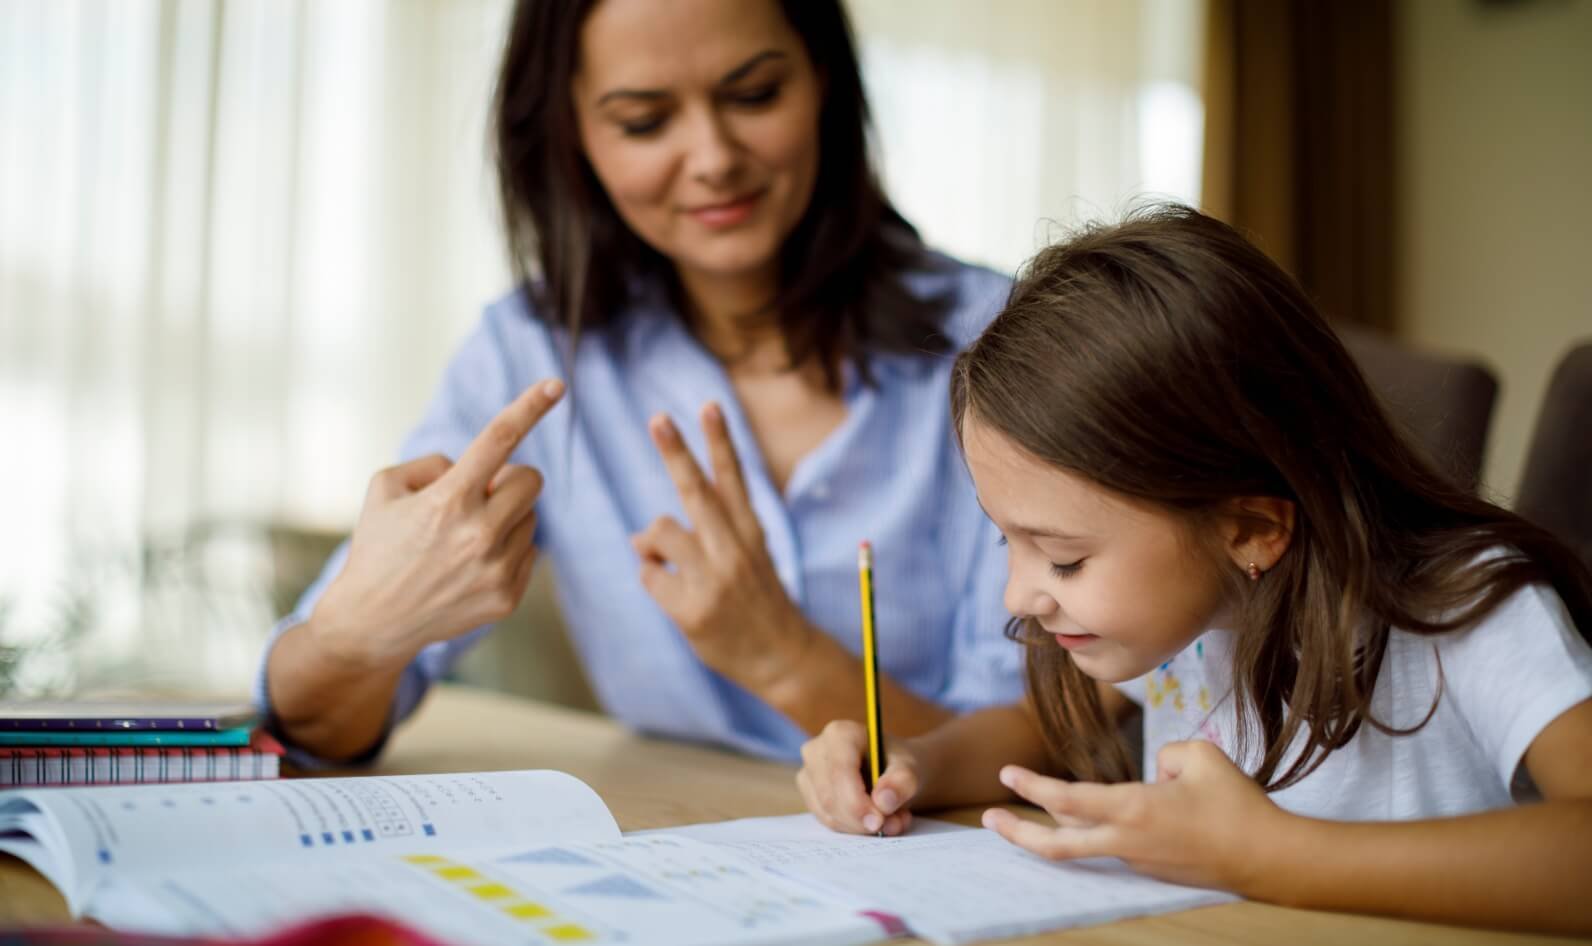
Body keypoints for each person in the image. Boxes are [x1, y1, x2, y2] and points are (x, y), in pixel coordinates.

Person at [257, 0, 1023, 764]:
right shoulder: (532, 354)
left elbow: (1057, 738)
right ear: (572, 132)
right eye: (643, 122)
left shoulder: (1003, 338)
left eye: (754, 96)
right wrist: (357, 633)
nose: (714, 157)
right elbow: (313, 727)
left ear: (825, 80)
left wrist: (781, 658)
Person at [796, 205, 1592, 934]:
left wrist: (1274, 856)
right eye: (1009, 541)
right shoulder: (1189, 623)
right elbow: (1032, 731)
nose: (1020, 595)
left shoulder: (1470, 609)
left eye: (1066, 558)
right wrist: (915, 763)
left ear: (1249, 527)